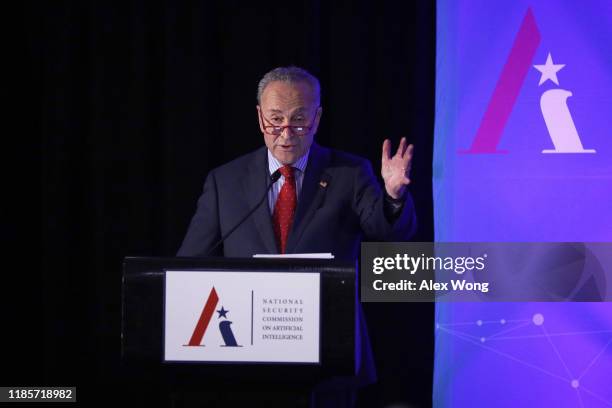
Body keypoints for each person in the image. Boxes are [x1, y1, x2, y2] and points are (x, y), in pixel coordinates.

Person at [178, 66, 416, 259]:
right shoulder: (225, 182)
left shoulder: (350, 174)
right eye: (276, 120)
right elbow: (190, 262)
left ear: (317, 117)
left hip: (328, 314)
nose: (286, 133)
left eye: (299, 120)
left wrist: (393, 197)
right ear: (260, 118)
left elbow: (388, 234)